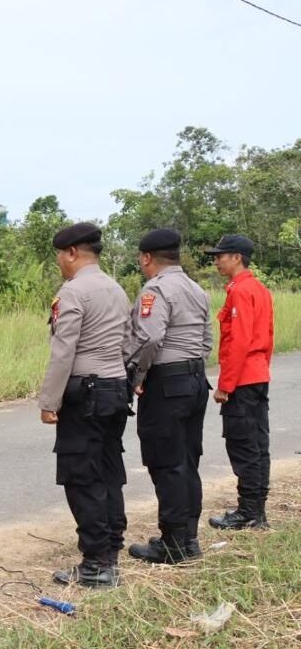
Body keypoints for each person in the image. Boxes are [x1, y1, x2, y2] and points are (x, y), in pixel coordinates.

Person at [37, 223, 131, 588]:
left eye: (60, 255)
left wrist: (50, 401)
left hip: (85, 393)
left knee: (82, 476)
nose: (60, 262)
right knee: (109, 471)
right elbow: (128, 343)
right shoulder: (116, 288)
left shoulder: (74, 291)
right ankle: (111, 550)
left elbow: (64, 351)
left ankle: (96, 564)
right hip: (114, 389)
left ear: (72, 253)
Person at [122, 229, 212, 564]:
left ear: (147, 258)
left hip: (166, 384)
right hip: (195, 379)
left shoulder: (156, 289)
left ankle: (172, 543)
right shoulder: (196, 288)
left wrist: (138, 376)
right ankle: (188, 538)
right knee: (188, 461)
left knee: (166, 463)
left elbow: (149, 339)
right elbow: (205, 340)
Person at [205, 234, 274, 530]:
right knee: (258, 444)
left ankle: (249, 512)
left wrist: (225, 385)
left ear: (237, 257)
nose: (217, 260)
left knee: (244, 445)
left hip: (243, 379)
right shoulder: (258, 288)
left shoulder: (242, 291)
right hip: (257, 374)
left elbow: (240, 341)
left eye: (221, 255)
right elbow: (267, 339)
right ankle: (255, 510)